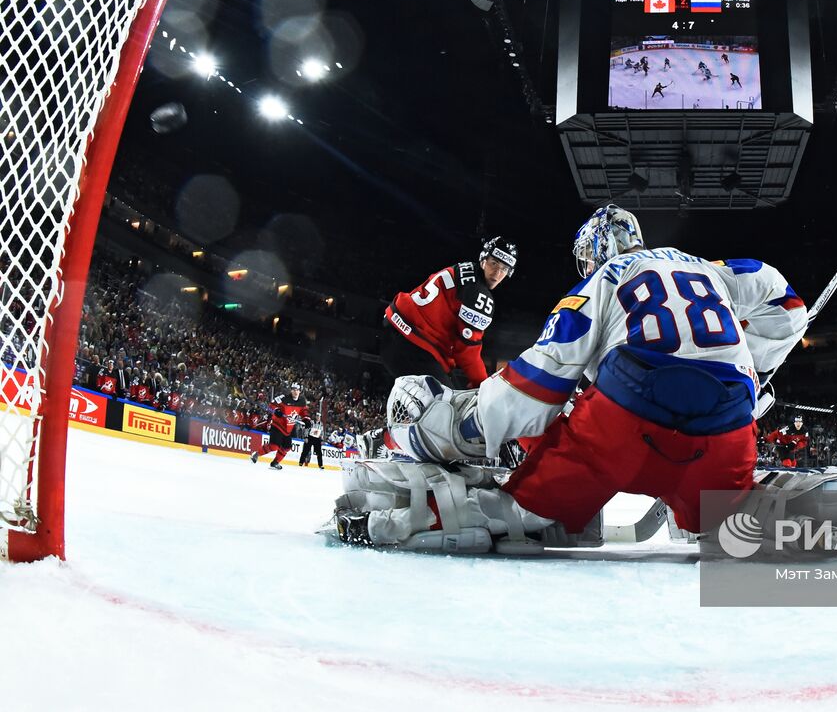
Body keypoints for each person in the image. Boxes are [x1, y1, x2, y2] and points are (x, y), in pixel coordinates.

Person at [337, 203, 807, 552]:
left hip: (622, 432)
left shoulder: (598, 283)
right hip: (724, 435)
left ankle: (391, 521)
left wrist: (465, 424)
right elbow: (788, 307)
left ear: (596, 252)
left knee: (515, 512)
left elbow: (536, 387)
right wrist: (751, 362)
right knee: (727, 515)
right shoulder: (708, 269)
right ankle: (800, 514)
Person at [382, 237, 517, 389]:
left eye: (504, 269)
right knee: (449, 408)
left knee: (450, 395)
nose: (497, 273)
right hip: (414, 345)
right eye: (494, 263)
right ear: (483, 260)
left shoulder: (464, 268)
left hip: (396, 329)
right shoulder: (479, 295)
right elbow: (467, 353)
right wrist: (483, 386)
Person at [251, 384, 303, 470]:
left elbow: (303, 412)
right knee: (274, 446)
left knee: (287, 447)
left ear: (299, 391)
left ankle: (275, 463)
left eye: (297, 390)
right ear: (291, 390)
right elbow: (272, 405)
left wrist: (306, 419)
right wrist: (276, 410)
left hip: (288, 428)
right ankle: (256, 454)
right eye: (293, 389)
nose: (295, 391)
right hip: (278, 425)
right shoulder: (284, 397)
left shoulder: (301, 401)